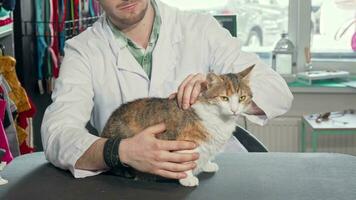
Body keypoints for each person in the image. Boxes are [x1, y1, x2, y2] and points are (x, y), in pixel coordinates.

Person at [41, 0, 293, 179]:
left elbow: (278, 93)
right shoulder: (83, 50)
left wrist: (218, 88)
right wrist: (120, 151)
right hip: (136, 182)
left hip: (215, 174)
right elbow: (56, 134)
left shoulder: (201, 28)